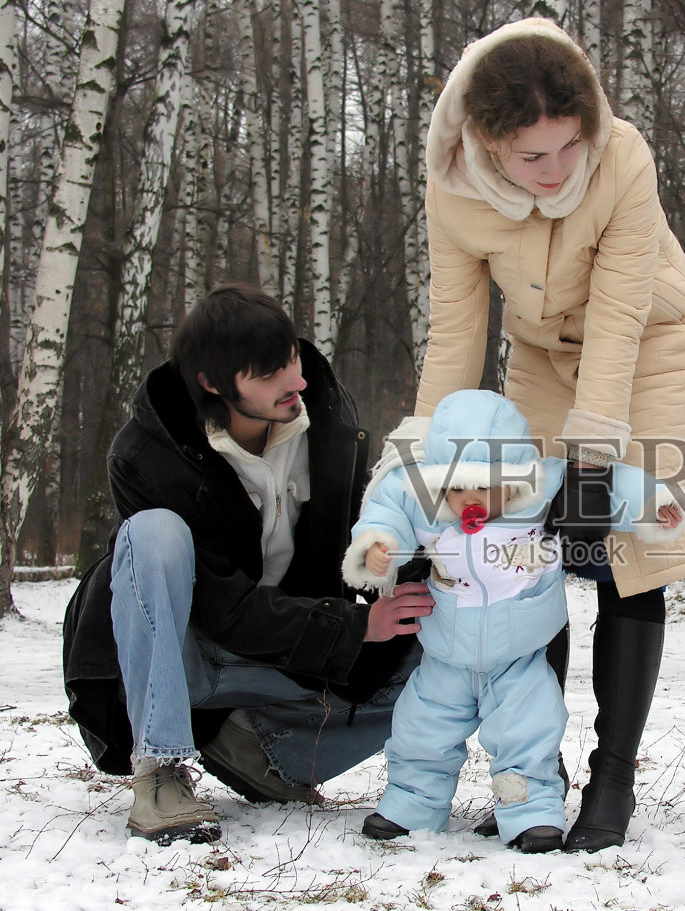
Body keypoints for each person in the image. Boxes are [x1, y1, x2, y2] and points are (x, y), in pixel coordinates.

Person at [383, 17, 685, 853]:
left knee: (626, 553)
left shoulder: (623, 156)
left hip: (647, 342)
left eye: (570, 147)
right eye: (534, 156)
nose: (558, 171)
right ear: (487, 143)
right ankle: (535, 771)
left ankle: (615, 775)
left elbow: (620, 310)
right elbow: (456, 333)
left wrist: (595, 463)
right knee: (531, 546)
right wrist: (422, 471)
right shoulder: (451, 184)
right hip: (540, 352)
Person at [61, 285, 432, 845]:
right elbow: (218, 606)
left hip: (278, 661)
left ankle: (254, 751)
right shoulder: (148, 454)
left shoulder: (328, 422)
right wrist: (356, 627)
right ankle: (159, 771)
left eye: (292, 359)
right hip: (182, 655)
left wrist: (424, 577)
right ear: (213, 383)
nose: (297, 381)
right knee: (152, 534)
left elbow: (367, 531)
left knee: (436, 629)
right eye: (270, 373)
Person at [343, 390, 684, 852]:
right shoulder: (425, 501)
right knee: (420, 734)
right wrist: (379, 545)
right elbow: (388, 509)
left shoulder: (542, 493)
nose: (468, 501)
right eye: (455, 487)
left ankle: (528, 814)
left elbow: (611, 485)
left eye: (483, 487)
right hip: (445, 658)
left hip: (518, 661)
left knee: (528, 737)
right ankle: (411, 808)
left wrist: (652, 503)